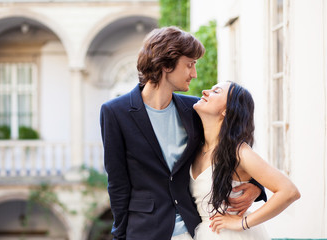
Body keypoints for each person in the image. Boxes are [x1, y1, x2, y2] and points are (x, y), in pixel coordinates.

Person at [100, 26, 265, 240]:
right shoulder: (115, 112)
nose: (194, 74)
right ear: (167, 64)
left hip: (194, 228)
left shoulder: (195, 108)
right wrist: (120, 235)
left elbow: (229, 146)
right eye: (190, 65)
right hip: (146, 230)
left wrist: (255, 186)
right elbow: (117, 182)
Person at [190, 81, 301, 239]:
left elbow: (289, 191)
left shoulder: (239, 152)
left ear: (226, 110)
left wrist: (243, 223)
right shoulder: (195, 149)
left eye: (216, 91)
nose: (205, 91)